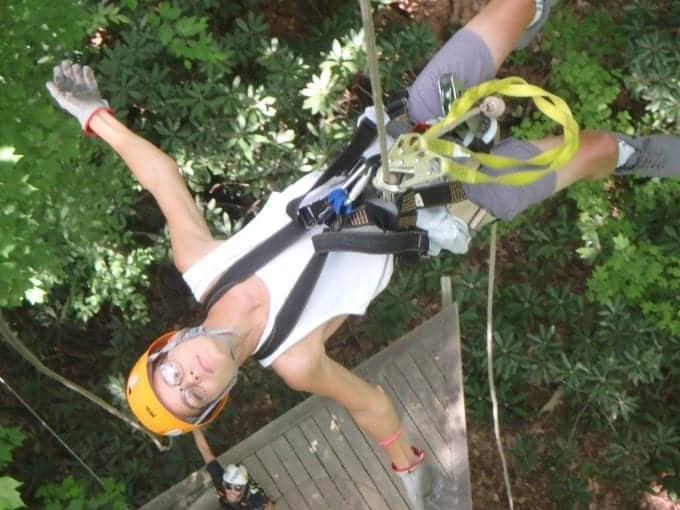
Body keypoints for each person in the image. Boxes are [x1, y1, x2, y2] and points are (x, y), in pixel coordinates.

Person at [46, 0, 678, 507]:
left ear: (173, 342)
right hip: (444, 200)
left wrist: (94, 116)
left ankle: (531, 15)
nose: (191, 375)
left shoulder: (201, 266)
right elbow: (369, 402)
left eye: (173, 371)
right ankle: (645, 154)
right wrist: (410, 468)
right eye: (191, 395)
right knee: (589, 150)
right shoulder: (295, 361)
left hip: (399, 138)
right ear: (217, 401)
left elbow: (162, 178)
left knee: (510, 10)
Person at [192, 428, 274, 510]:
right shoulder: (219, 479)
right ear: (224, 483)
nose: (232, 491)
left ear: (244, 488)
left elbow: (269, 506)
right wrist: (194, 426)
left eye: (238, 488)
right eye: (228, 486)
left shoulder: (255, 498)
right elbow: (204, 450)